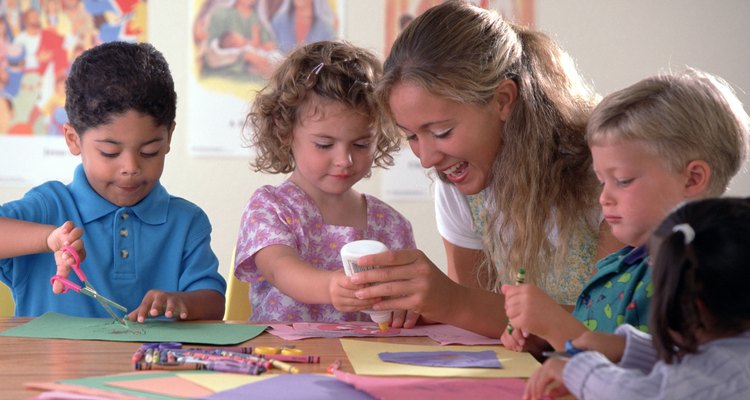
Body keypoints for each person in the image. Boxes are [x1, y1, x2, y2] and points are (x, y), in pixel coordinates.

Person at [350, 0, 614, 337]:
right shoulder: (457, 182)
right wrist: (431, 305)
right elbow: (486, 323)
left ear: (503, 100)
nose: (427, 159)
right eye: (412, 136)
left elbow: (608, 330)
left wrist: (454, 303)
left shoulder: (608, 174)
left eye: (442, 132)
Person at [501, 68, 750, 354]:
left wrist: (559, 328)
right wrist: (546, 342)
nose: (604, 198)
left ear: (692, 178)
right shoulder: (622, 263)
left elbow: (651, 375)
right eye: (601, 181)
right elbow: (600, 341)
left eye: (622, 181)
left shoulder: (695, 279)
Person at [0, 41, 227, 321]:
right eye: (110, 152)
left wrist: (181, 302)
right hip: (51, 366)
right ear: (74, 139)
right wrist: (48, 239)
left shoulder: (186, 222)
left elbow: (214, 303)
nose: (131, 167)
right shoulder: (48, 207)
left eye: (149, 151)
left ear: (168, 138)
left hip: (152, 366)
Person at [234, 40, 417, 325]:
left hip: (365, 362)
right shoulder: (270, 207)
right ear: (285, 132)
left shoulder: (392, 224)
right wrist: (330, 287)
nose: (344, 159)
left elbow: (410, 296)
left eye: (360, 143)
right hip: (288, 358)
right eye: (324, 144)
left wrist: (410, 306)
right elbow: (279, 269)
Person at [524, 197, 750, 400]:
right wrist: (628, 347)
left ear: (692, 307)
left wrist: (578, 369)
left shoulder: (723, 375)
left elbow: (638, 393)